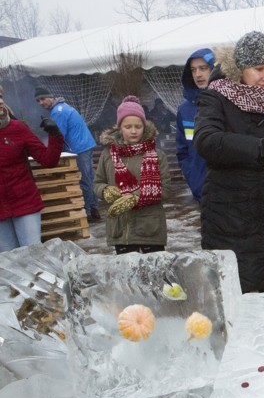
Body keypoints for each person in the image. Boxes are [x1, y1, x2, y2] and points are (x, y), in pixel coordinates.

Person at [194, 31, 264, 293]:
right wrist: (263, 146)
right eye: (259, 69)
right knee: (239, 296)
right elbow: (206, 140)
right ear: (240, 68)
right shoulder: (215, 97)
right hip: (230, 217)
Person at [93, 96, 171, 255]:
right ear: (120, 127)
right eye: (128, 126)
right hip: (121, 230)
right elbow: (97, 183)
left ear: (145, 126)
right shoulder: (108, 154)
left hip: (149, 229)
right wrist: (105, 190)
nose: (134, 131)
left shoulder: (157, 155)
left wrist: (135, 197)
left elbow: (166, 189)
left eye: (138, 126)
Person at [0, 93, 63, 252]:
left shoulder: (17, 128)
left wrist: (55, 135)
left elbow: (48, 160)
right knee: (8, 264)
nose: (0, 101)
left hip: (24, 202)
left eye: (0, 97)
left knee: (34, 256)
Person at [35, 86, 101, 222]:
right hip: (84, 145)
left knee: (84, 180)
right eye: (38, 101)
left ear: (50, 97)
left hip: (78, 148)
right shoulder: (62, 107)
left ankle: (88, 212)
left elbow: (59, 136)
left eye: (42, 99)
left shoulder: (57, 112)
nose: (41, 103)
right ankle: (94, 208)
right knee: (88, 177)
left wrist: (50, 153)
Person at [175, 48, 215, 203]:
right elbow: (182, 150)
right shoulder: (184, 110)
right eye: (193, 70)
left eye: (203, 68)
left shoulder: (229, 102)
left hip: (231, 192)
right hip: (201, 192)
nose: (198, 74)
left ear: (214, 69)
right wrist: (193, 178)